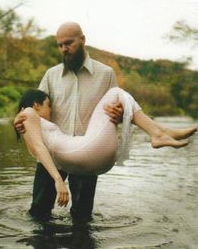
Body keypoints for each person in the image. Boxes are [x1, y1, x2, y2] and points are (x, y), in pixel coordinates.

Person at [14, 22, 123, 222]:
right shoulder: (51, 74)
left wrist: (120, 115)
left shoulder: (106, 74)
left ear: (83, 40)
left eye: (69, 43)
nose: (64, 48)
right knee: (38, 213)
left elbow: (115, 111)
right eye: (60, 45)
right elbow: (34, 110)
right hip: (52, 154)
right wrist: (22, 124)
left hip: (86, 154)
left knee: (82, 218)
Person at [16, 88, 196, 209]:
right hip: (84, 150)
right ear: (36, 105)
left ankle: (160, 131)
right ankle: (158, 133)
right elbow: (40, 149)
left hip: (82, 155)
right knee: (116, 92)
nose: (52, 111)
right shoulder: (29, 113)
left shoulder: (25, 124)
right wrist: (58, 180)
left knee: (118, 96)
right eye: (49, 105)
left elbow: (38, 149)